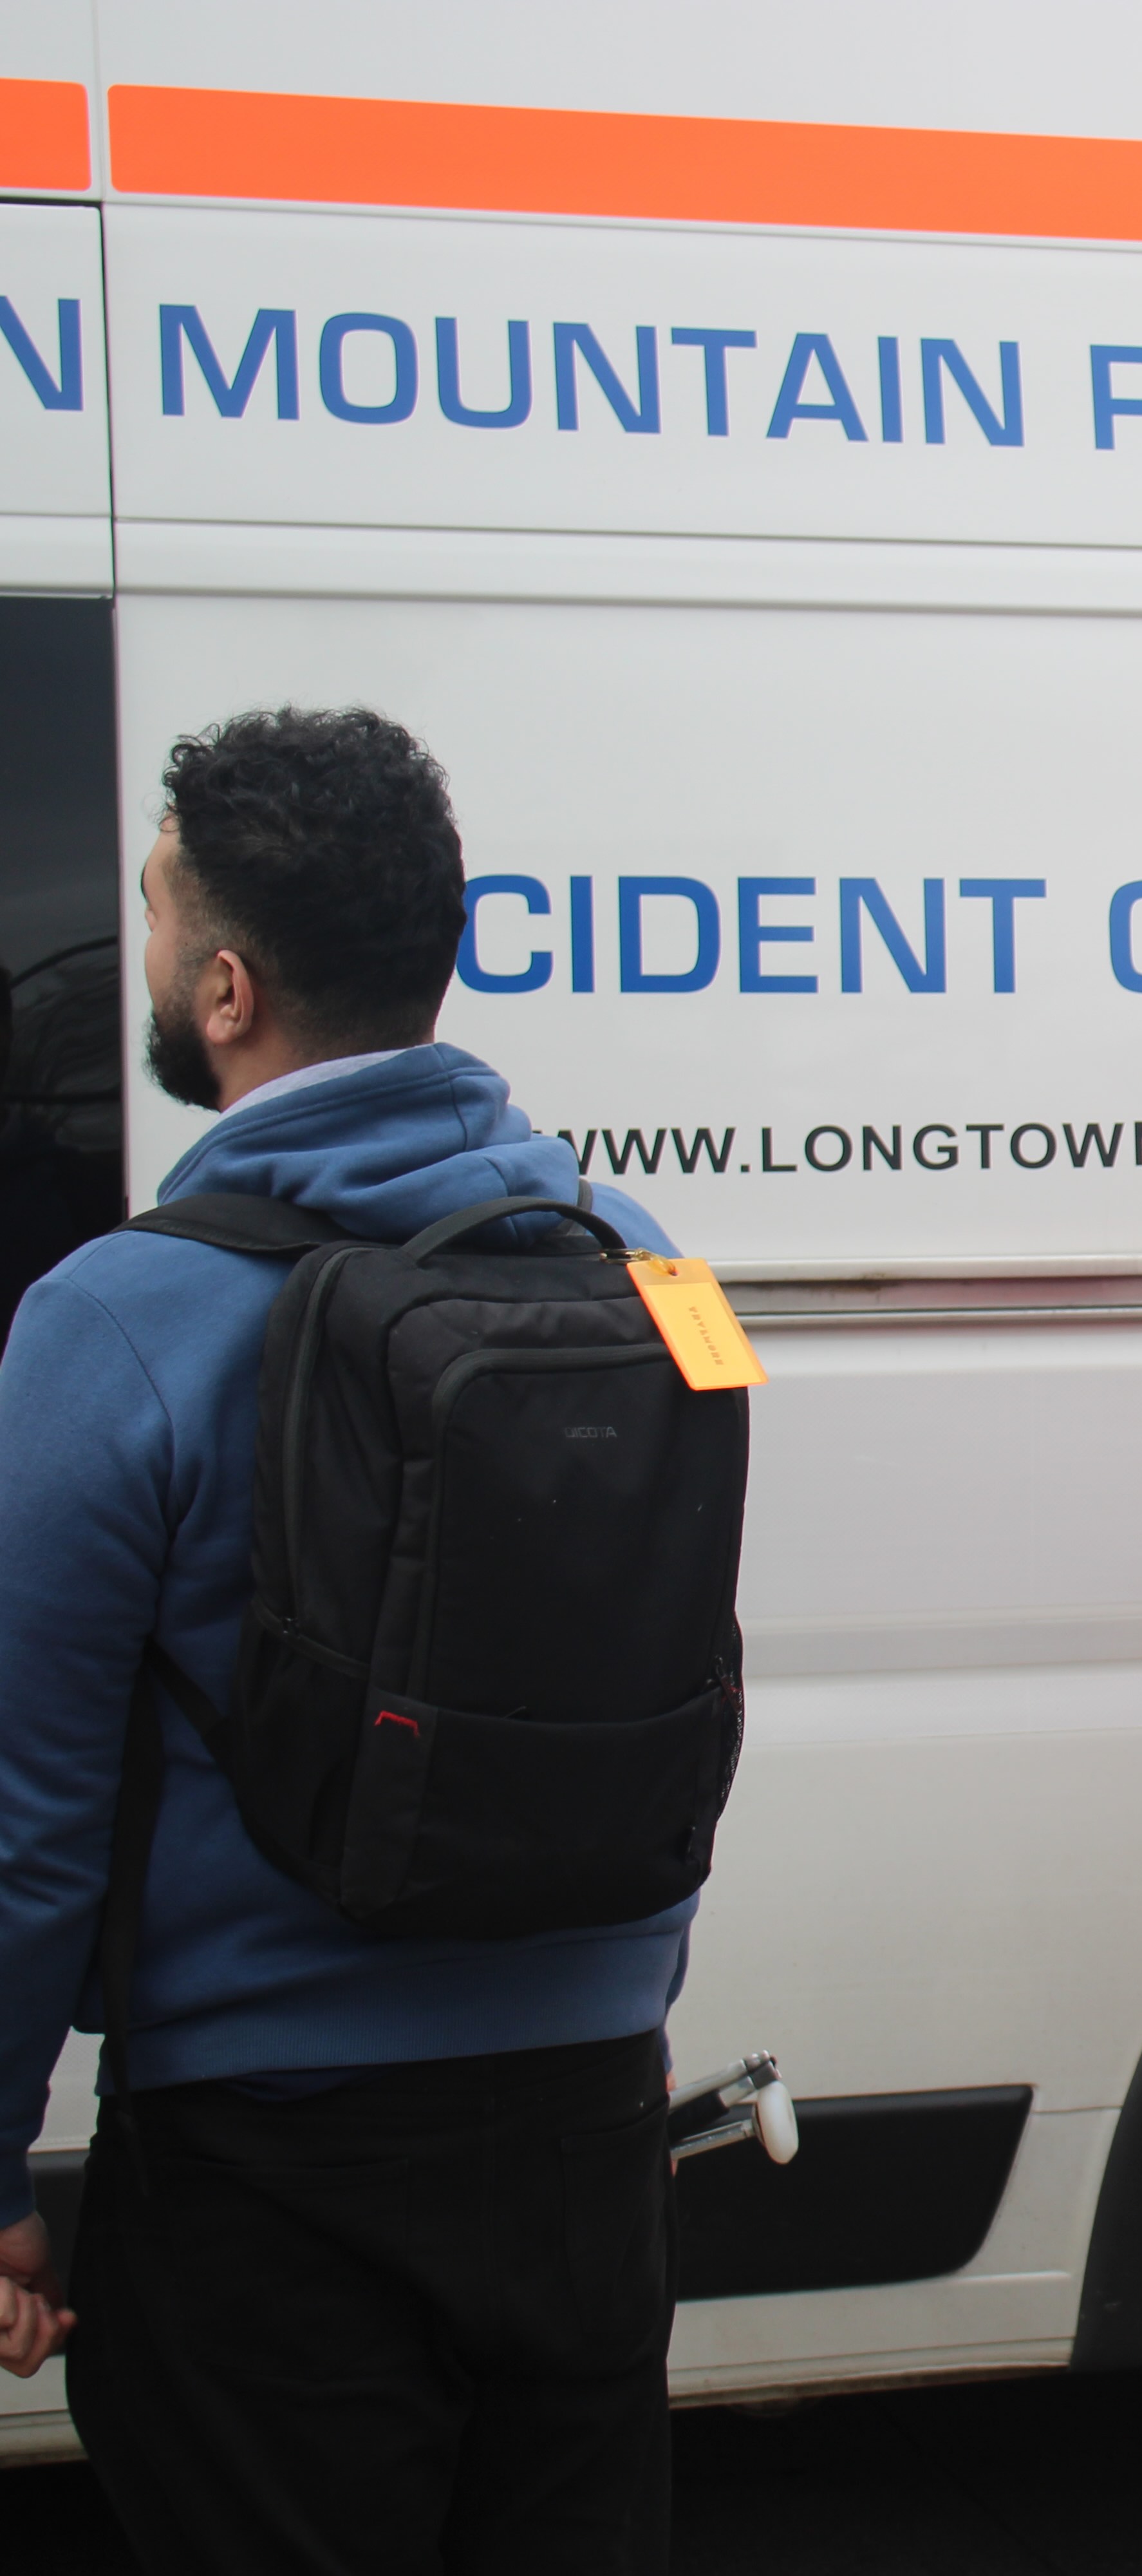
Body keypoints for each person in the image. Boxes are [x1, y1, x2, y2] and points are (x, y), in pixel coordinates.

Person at [0, 707, 690, 2567]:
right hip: (585, 2144)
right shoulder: (642, 1259)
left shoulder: (113, 1320)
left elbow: (31, 1821)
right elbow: (668, 1665)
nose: (144, 946)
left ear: (224, 986)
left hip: (263, 2175)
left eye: (155, 912)